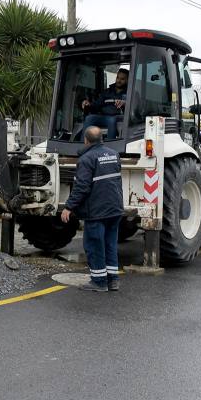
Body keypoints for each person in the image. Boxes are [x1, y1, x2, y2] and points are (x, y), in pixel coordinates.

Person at [60, 126, 124, 292]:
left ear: (86, 140)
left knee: (95, 245)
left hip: (97, 211)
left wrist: (69, 207)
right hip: (115, 208)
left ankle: (99, 281)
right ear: (101, 138)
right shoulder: (114, 154)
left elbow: (82, 187)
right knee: (110, 244)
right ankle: (113, 280)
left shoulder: (86, 159)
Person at [81, 68, 129, 139]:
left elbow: (135, 108)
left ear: (127, 80)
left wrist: (125, 103)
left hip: (119, 117)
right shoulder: (107, 91)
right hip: (104, 116)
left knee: (111, 120)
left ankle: (110, 144)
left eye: (122, 79)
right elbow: (97, 104)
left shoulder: (130, 93)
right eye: (118, 78)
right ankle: (83, 143)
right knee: (89, 118)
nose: (119, 81)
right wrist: (88, 104)